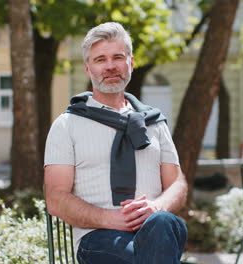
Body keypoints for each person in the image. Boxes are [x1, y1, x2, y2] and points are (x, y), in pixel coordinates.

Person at [44, 22, 188, 264]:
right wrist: (111, 219)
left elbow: (177, 185)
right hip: (97, 238)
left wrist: (156, 206)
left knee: (163, 222)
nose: (110, 66)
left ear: (130, 63)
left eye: (117, 57)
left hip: (155, 232)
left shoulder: (154, 123)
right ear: (88, 69)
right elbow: (56, 198)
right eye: (100, 59)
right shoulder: (67, 125)